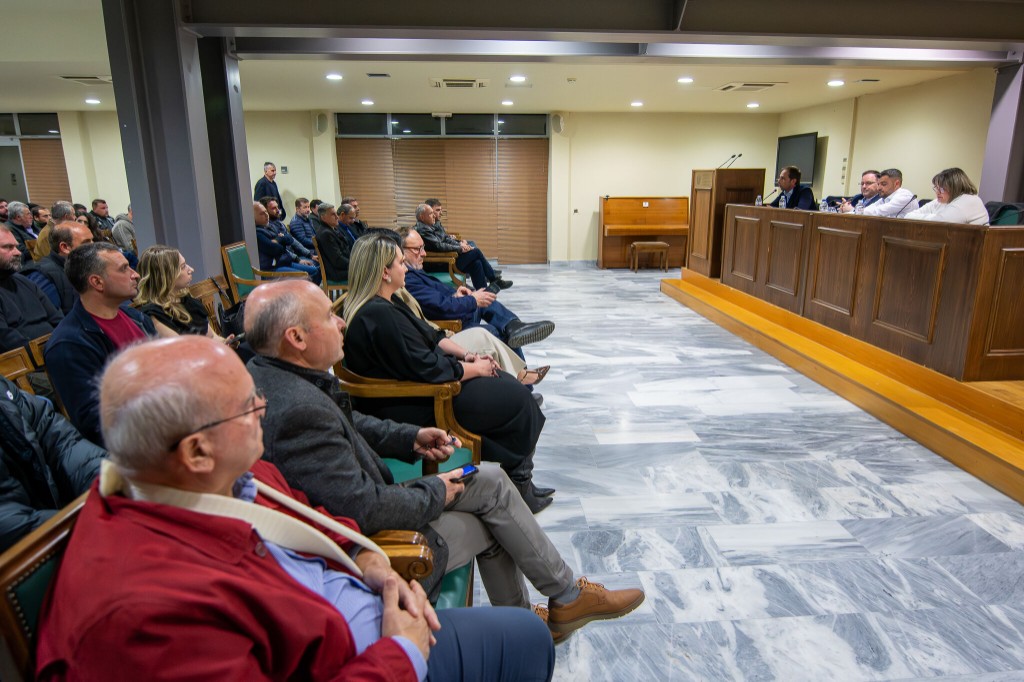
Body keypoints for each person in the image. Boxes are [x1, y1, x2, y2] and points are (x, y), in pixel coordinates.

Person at [36, 335, 556, 680]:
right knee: (527, 638)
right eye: (247, 407)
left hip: (364, 611)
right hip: (370, 659)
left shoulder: (226, 476)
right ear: (196, 451)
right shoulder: (145, 615)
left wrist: (371, 562)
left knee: (519, 618)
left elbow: (315, 517)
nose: (264, 409)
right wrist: (399, 655)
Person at [245, 280, 645, 638]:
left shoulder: (280, 376)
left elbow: (351, 424)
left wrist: (410, 438)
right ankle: (545, 612)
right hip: (379, 543)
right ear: (296, 337)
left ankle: (553, 606)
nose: (341, 322)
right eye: (329, 317)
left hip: (371, 504)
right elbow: (363, 509)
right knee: (496, 518)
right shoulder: (297, 412)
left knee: (490, 480)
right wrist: (436, 490)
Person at [342, 234, 552, 512]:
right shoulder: (377, 314)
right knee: (517, 401)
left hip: (423, 385)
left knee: (510, 389)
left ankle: (520, 478)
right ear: (384, 272)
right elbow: (426, 367)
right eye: (401, 263)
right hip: (417, 402)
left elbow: (429, 337)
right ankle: (520, 482)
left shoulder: (389, 302)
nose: (406, 268)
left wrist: (466, 356)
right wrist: (473, 369)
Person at [45, 242, 155, 446]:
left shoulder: (137, 317)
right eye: (124, 269)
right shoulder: (69, 344)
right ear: (97, 282)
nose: (135, 274)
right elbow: (95, 421)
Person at [400, 227, 554, 358]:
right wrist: (472, 300)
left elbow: (434, 297)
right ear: (400, 251)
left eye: (423, 247)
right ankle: (521, 377)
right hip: (451, 323)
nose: (424, 253)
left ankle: (513, 326)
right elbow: (439, 307)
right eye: (417, 249)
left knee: (482, 290)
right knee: (494, 331)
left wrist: (456, 293)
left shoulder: (413, 270)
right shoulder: (408, 279)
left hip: (454, 310)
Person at [0, 376, 105, 552]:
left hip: (60, 525)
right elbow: (9, 524)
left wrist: (105, 481)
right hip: (29, 555)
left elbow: (59, 439)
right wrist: (84, 527)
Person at [414, 203, 510, 290]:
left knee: (476, 264)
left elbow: (445, 239)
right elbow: (439, 246)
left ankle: (484, 294)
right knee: (476, 252)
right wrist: (460, 248)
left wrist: (461, 245)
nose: (434, 215)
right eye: (431, 213)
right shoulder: (423, 230)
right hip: (440, 263)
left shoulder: (430, 226)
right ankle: (493, 279)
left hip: (446, 259)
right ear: (422, 217)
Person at [135, 245, 224, 338]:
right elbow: (184, 346)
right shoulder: (154, 315)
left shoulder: (187, 300)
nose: (191, 270)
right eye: (183, 266)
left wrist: (225, 342)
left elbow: (213, 336)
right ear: (165, 276)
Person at [0, 224, 63, 354]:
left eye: (16, 247)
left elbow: (57, 318)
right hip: (28, 362)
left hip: (55, 349)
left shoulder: (23, 281)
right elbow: (8, 342)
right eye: (8, 247)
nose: (18, 252)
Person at [22, 221, 93, 314]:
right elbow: (50, 317)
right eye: (86, 242)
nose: (94, 246)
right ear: (65, 247)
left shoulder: (82, 265)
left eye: (92, 240)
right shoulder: (43, 275)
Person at [253, 201, 321, 283]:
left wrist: (278, 240)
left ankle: (311, 291)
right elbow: (276, 249)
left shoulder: (271, 227)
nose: (266, 215)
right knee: (304, 276)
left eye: (266, 212)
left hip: (286, 261)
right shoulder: (257, 233)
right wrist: (281, 240)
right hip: (273, 268)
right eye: (262, 213)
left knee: (315, 270)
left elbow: (289, 239)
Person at [905, 167, 989, 225]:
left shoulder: (968, 200)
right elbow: (908, 216)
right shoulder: (941, 201)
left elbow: (940, 223)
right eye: (936, 188)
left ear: (955, 188)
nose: (938, 192)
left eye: (942, 189)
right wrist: (935, 216)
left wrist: (936, 217)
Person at [315, 202, 355, 282]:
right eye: (333, 214)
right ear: (323, 218)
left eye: (336, 213)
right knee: (369, 271)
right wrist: (355, 264)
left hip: (341, 269)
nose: (337, 217)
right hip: (337, 273)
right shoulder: (325, 234)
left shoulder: (332, 229)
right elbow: (338, 260)